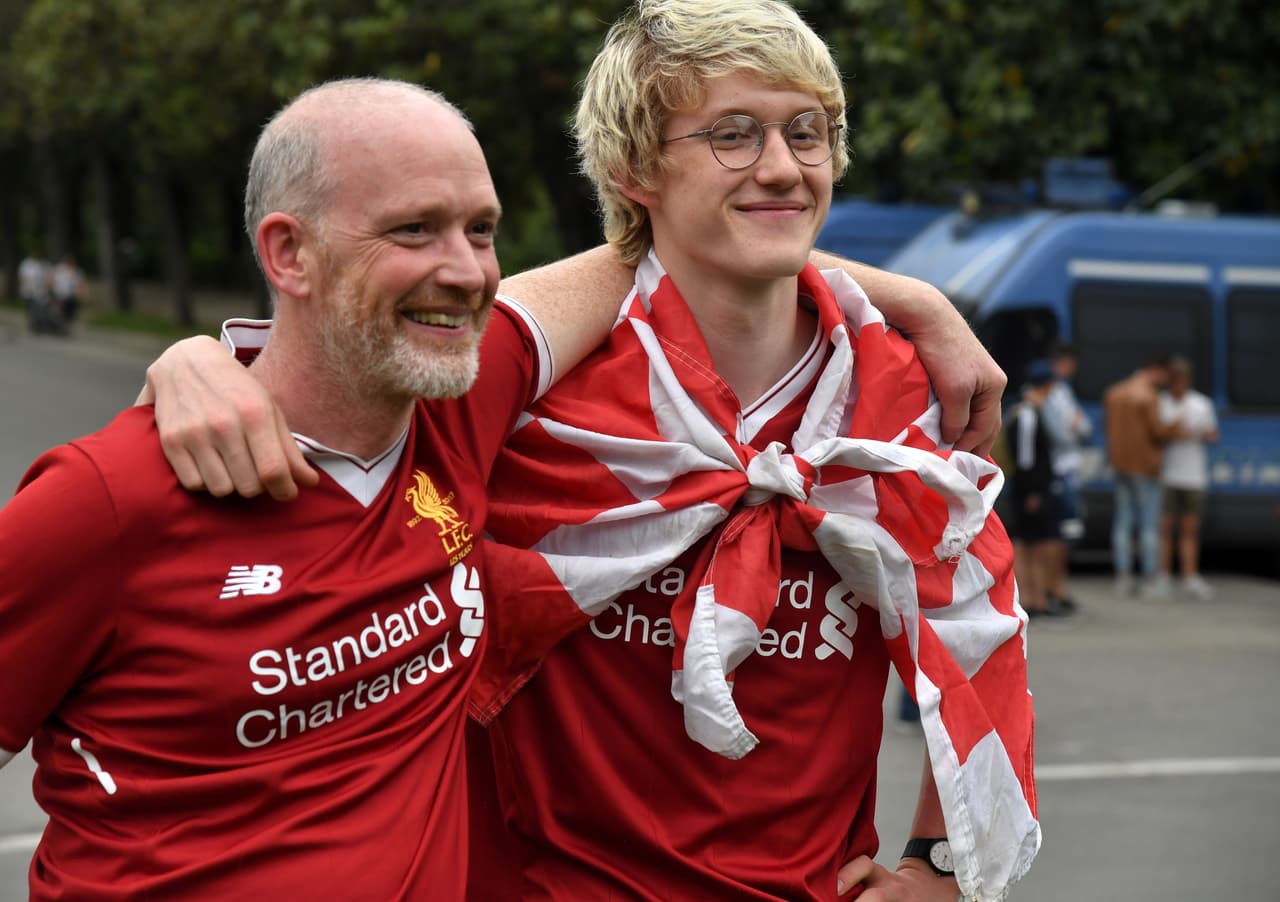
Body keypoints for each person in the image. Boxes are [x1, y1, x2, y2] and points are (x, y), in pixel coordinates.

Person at [139, 5, 1032, 901]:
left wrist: (937, 867)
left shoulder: (892, 392)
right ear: (633, 169)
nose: (781, 166)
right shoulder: (536, 392)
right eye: (732, 135)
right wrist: (199, 366)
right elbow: (331, 391)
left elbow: (977, 623)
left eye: (808, 133)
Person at [0, 77, 624, 900]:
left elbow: (654, 252)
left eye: (481, 230)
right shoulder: (105, 497)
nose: (469, 273)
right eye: (414, 229)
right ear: (289, 254)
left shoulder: (457, 408)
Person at [1102, 353, 1178, 598]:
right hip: (1146, 467)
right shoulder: (1149, 396)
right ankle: (1149, 578)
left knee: (1123, 522)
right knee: (1148, 525)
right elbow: (1159, 431)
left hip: (1120, 464)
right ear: (1156, 370)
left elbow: (1107, 428)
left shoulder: (1114, 393)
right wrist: (1177, 426)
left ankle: (1123, 577)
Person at [1004, 359, 1071, 618]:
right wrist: (1032, 492)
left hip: (1029, 489)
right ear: (1047, 385)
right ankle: (1033, 601)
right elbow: (1025, 460)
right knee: (1032, 545)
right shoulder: (1028, 415)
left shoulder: (1025, 411)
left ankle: (1034, 599)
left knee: (1031, 544)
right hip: (1030, 491)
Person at [1156, 356, 1218, 600]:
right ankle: (1163, 576)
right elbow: (1156, 434)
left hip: (1194, 476)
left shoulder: (1201, 404)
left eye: (1182, 382)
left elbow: (1213, 435)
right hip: (1167, 475)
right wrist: (1173, 430)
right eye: (1174, 382)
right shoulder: (1160, 403)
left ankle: (1190, 576)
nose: (1178, 387)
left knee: (1190, 529)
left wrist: (1196, 433)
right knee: (1165, 528)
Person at [1039, 342, 1091, 610]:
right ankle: (1050, 589)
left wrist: (1075, 428)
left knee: (1066, 534)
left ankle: (1058, 587)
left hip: (1068, 468)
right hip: (1056, 471)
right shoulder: (1047, 392)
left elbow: (1085, 428)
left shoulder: (1063, 391)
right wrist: (1074, 429)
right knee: (1054, 534)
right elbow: (1060, 433)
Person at [50, 253, 86, 325]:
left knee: (71, 313)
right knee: (61, 312)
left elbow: (80, 283)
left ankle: (67, 324)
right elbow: (51, 280)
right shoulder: (59, 270)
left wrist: (81, 292)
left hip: (71, 296)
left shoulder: (76, 271)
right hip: (60, 295)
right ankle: (62, 324)